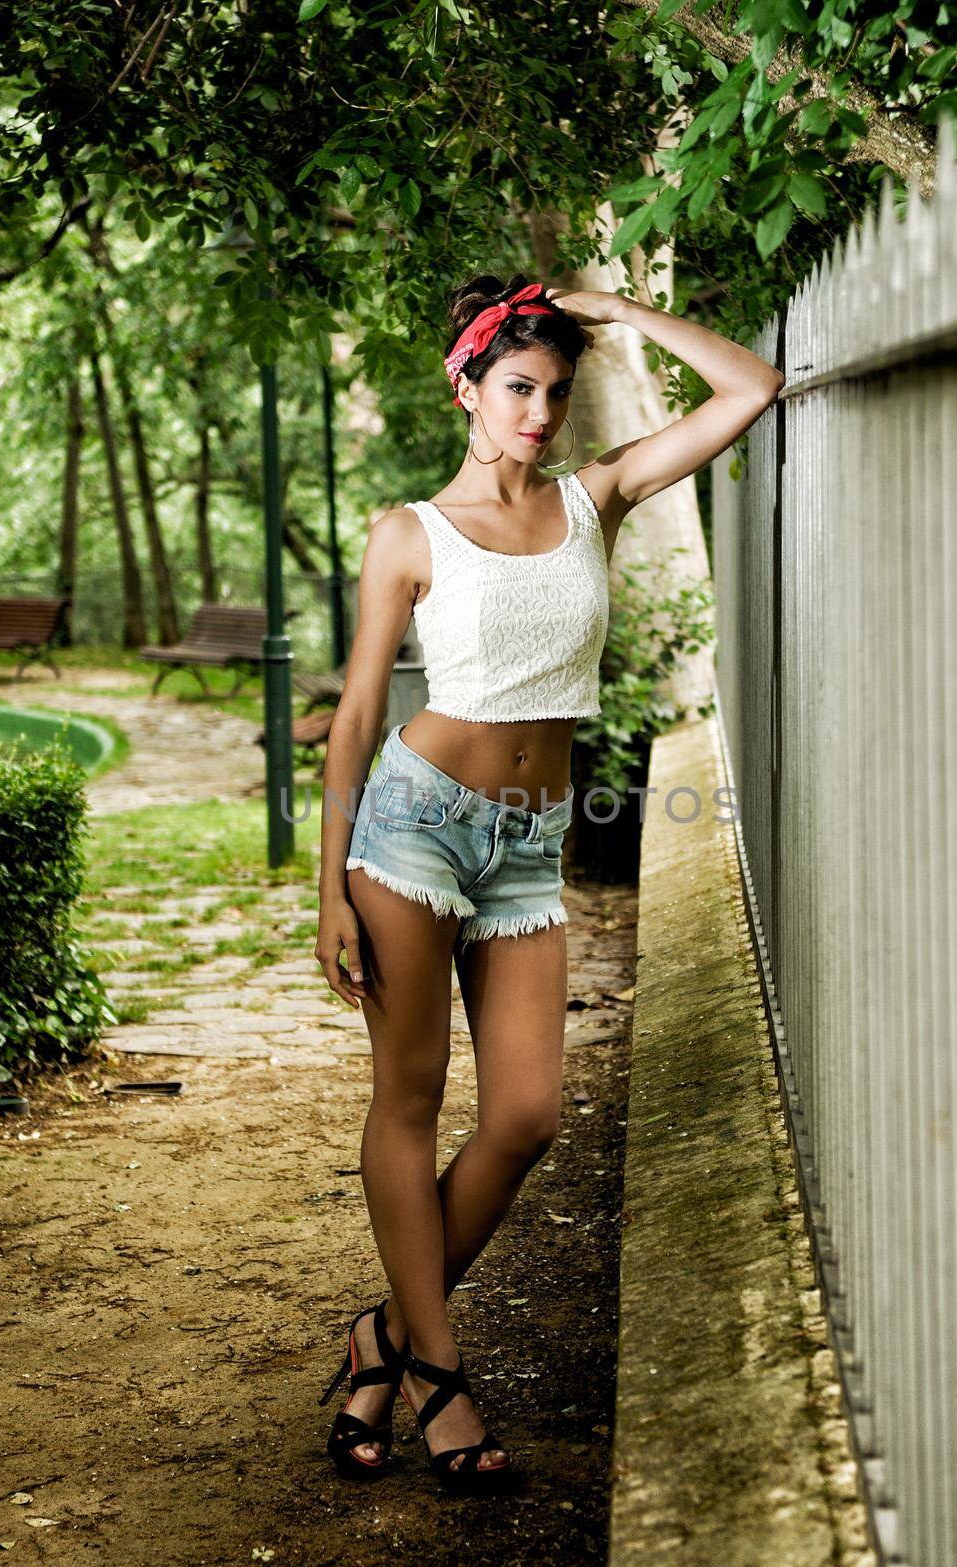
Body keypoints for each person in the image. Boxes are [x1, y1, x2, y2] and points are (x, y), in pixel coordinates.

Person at [314, 273, 784, 1491]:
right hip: (414, 825)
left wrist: (619, 311)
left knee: (526, 1116)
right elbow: (360, 711)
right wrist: (328, 888)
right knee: (408, 1097)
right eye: (517, 388)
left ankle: (382, 1336)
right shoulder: (406, 531)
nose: (539, 413)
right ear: (465, 386)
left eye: (557, 393)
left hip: (526, 843)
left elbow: (755, 385)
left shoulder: (595, 497)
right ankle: (443, 1376)